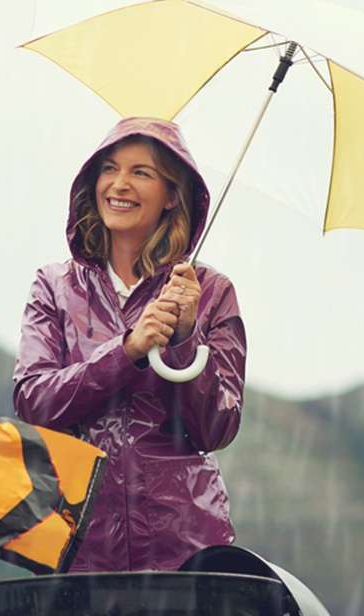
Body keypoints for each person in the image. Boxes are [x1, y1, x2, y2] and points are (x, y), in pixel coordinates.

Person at [13, 117, 246, 573]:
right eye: (109, 169)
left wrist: (185, 338)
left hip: (184, 548)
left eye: (142, 173)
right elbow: (33, 402)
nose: (119, 185)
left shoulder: (211, 292)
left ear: (173, 195)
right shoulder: (54, 286)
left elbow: (216, 428)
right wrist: (128, 351)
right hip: (77, 545)